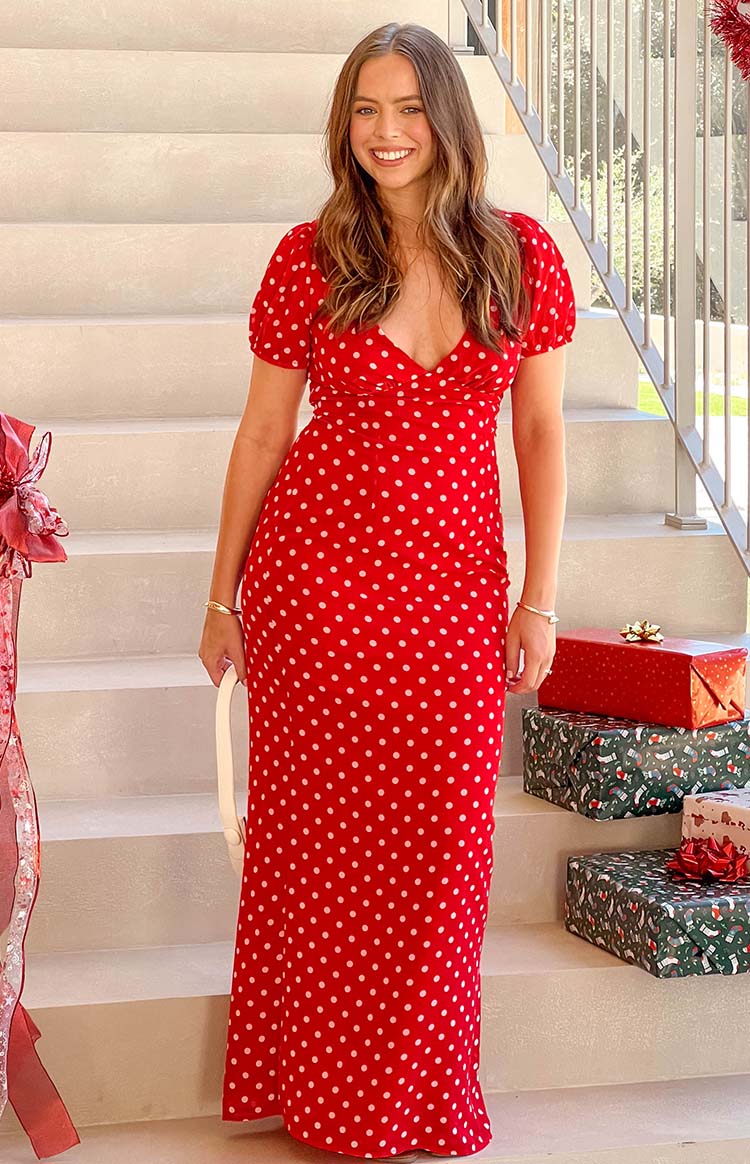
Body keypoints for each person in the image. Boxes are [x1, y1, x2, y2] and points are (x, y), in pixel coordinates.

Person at [198, 21, 575, 1163]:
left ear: (447, 118)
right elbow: (263, 434)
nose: (386, 131)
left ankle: (413, 1099)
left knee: (440, 867)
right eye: (366, 109)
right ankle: (324, 1103)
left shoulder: (522, 256)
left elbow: (541, 434)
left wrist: (540, 599)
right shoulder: (308, 259)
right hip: (316, 594)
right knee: (320, 864)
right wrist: (222, 598)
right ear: (343, 125)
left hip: (454, 600)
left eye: (409, 107)